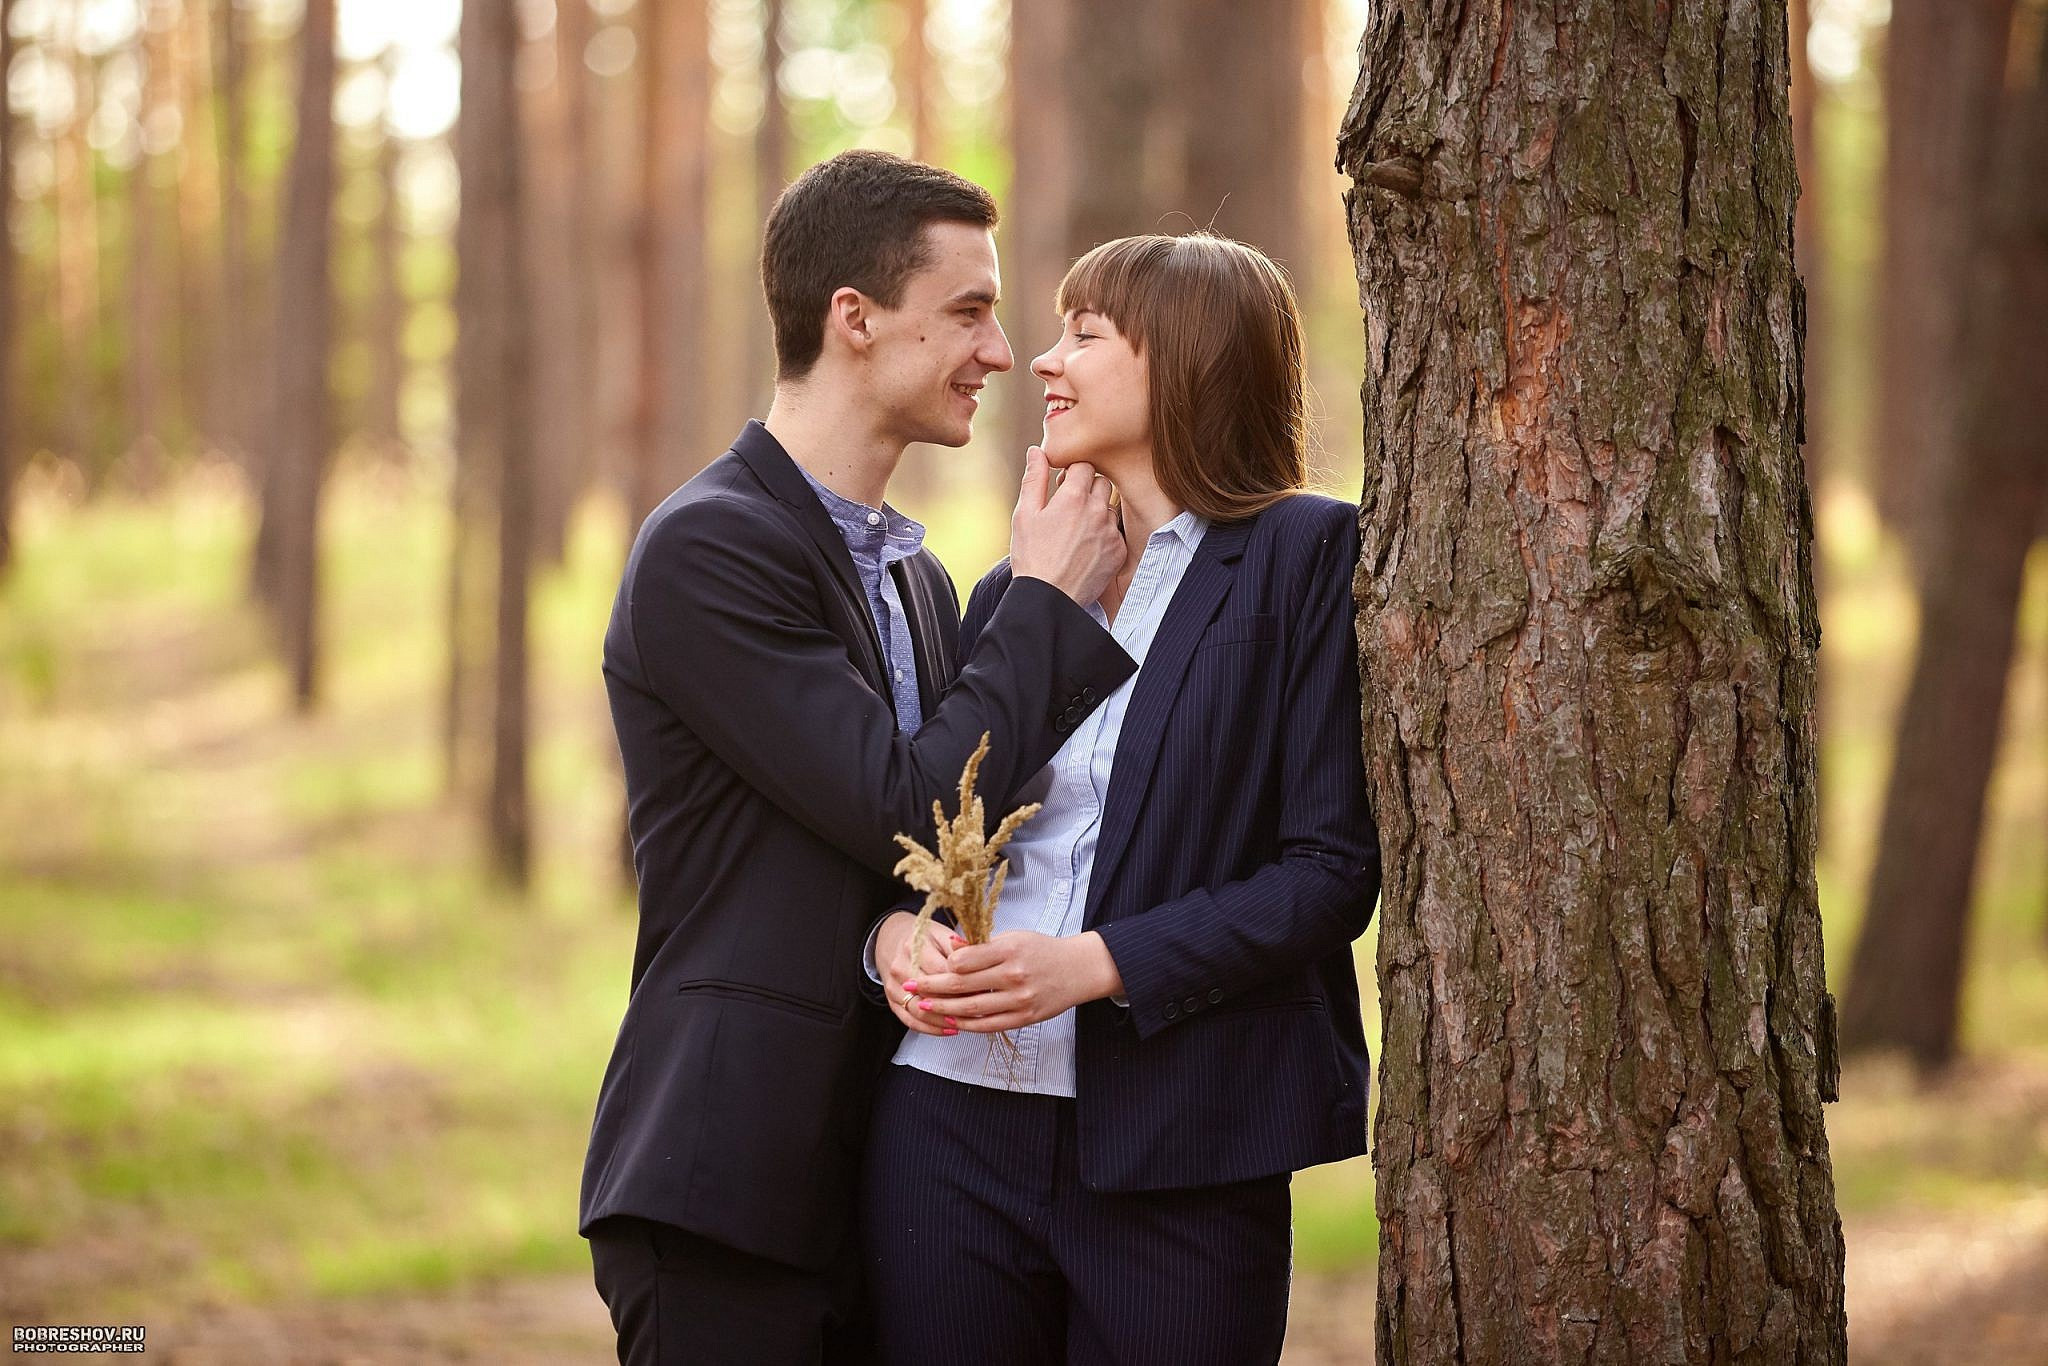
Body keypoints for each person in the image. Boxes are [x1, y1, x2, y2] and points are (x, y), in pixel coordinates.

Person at [579, 150, 1139, 1366]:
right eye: (968, 313)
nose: (999, 353)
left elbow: (938, 853)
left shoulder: (917, 579)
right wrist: (1041, 599)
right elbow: (910, 805)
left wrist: (889, 934)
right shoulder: (706, 549)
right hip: (725, 1179)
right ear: (855, 320)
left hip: (881, 1173)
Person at [863, 233, 1381, 1365]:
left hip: (1184, 1138)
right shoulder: (1014, 583)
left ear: (1187, 362)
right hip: (946, 1122)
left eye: (1083, 336)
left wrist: (1096, 964)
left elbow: (1327, 870)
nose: (1040, 362)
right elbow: (929, 822)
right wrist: (897, 930)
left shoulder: (1301, 553)